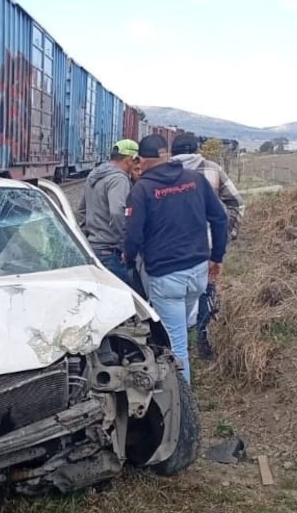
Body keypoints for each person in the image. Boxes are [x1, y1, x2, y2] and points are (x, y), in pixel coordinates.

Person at [123, 134, 228, 385]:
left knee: (175, 344)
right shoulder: (195, 180)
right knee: (181, 324)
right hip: (198, 272)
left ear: (142, 160)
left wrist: (128, 260)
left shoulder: (142, 190)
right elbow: (220, 218)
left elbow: (133, 236)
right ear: (166, 156)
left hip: (166, 275)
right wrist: (217, 257)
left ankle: (183, 406)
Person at [170, 133, 244, 357]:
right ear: (197, 149)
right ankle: (203, 340)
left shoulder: (162, 172)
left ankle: (170, 345)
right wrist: (226, 235)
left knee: (171, 295)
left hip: (169, 246)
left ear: (172, 152)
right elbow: (236, 203)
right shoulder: (213, 169)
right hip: (207, 245)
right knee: (206, 291)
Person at [76, 139, 141, 285]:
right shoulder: (119, 179)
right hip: (110, 252)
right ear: (129, 159)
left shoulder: (95, 174)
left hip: (93, 247)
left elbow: (82, 209)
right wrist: (124, 246)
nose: (138, 166)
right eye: (136, 161)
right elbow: (118, 213)